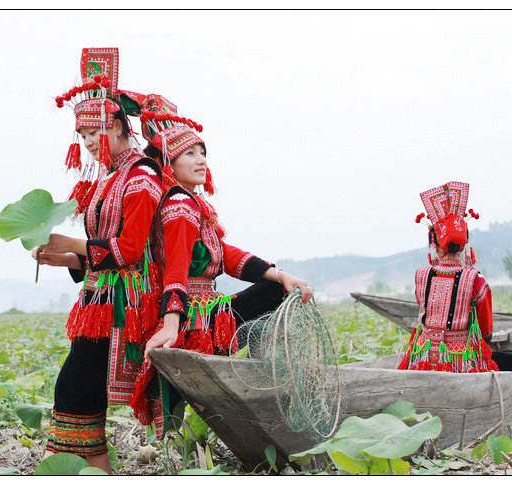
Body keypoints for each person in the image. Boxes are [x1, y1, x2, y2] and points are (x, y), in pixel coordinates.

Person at [32, 48, 165, 474]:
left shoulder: (141, 177)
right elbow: (97, 252)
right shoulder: (108, 180)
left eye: (97, 132)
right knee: (81, 394)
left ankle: (74, 467)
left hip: (123, 305)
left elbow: (128, 249)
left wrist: (71, 242)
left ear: (122, 128)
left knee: (74, 388)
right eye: (83, 135)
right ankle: (95, 468)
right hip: (96, 302)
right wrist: (64, 258)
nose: (89, 142)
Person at [136, 95, 313, 359]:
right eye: (190, 154)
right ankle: (261, 365)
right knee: (275, 292)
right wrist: (171, 324)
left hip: (206, 308)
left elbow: (224, 254)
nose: (201, 161)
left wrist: (278, 274)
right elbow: (176, 265)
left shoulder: (191, 203)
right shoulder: (180, 205)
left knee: (276, 285)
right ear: (169, 164)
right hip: (195, 317)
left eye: (203, 153)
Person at [397, 181, 512, 373]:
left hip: (421, 359)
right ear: (465, 243)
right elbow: (485, 332)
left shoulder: (421, 276)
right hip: (461, 364)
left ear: (435, 244)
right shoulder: (476, 280)